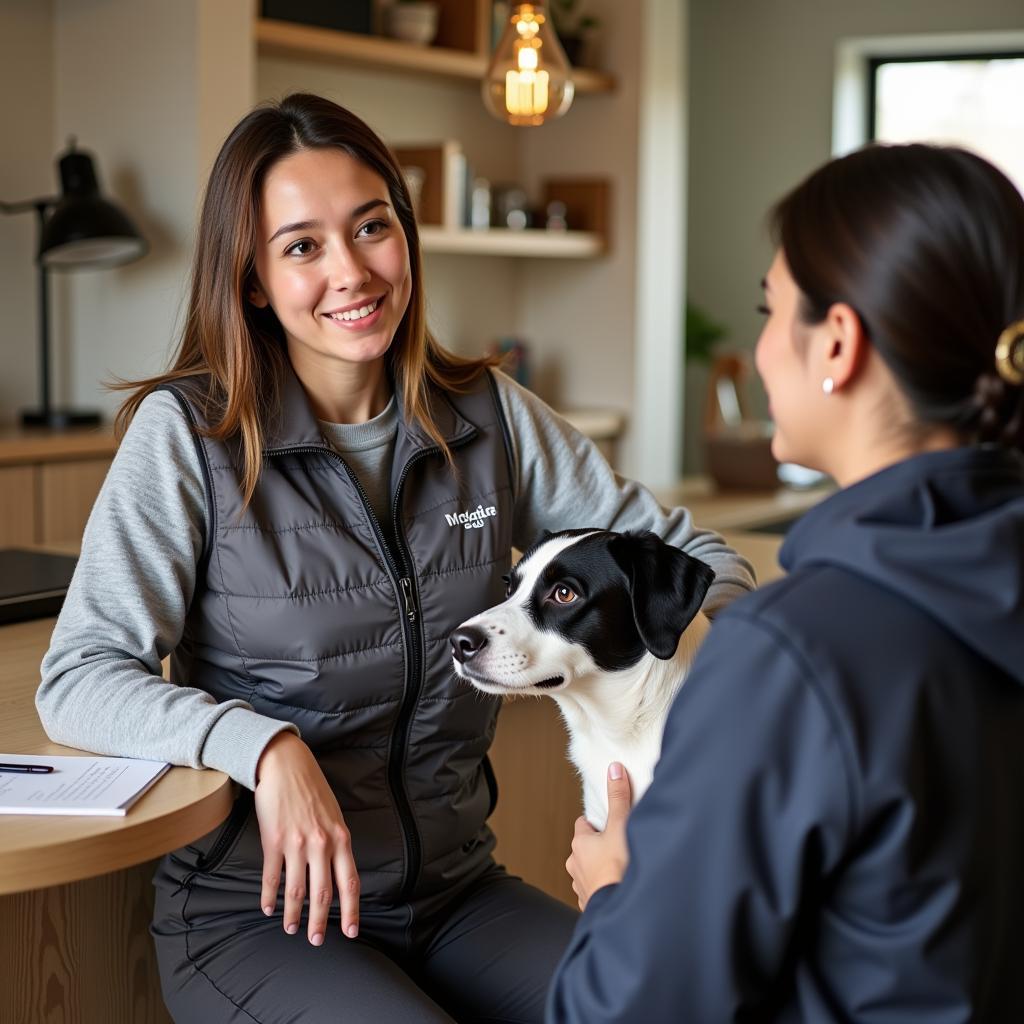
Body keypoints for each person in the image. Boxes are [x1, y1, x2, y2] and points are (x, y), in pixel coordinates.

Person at [35, 93, 754, 1023]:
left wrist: (674, 701)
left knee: (665, 1006)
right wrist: (262, 745)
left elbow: (697, 560)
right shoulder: (191, 436)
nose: (351, 271)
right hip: (257, 918)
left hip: (458, 895)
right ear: (253, 278)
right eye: (301, 246)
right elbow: (80, 676)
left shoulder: (490, 415)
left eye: (371, 227)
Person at [548, 142, 1024, 1022]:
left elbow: (625, 1010)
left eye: (772, 311)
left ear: (837, 342)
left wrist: (615, 894)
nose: (760, 349)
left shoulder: (793, 653)